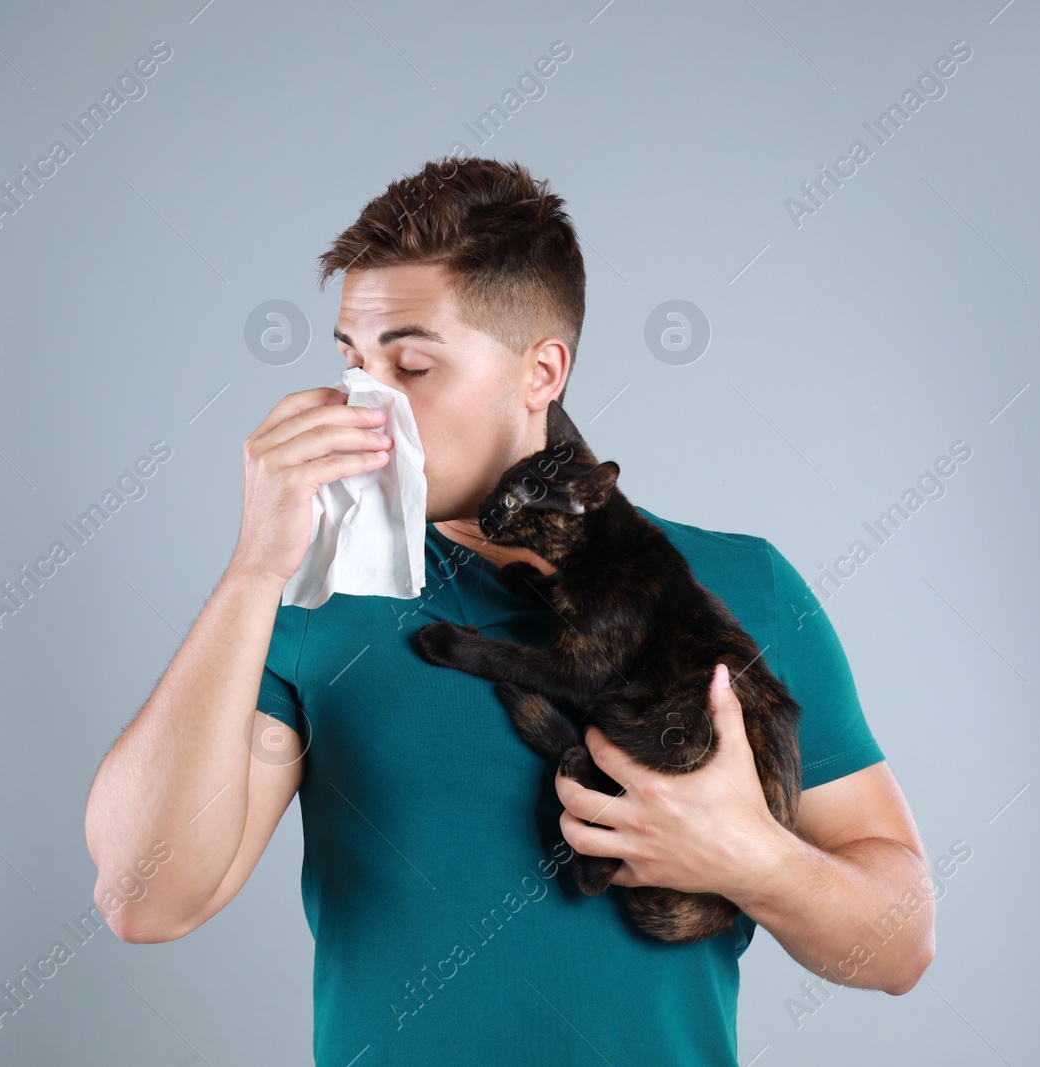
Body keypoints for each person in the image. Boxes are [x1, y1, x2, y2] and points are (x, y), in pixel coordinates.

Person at [84, 157, 935, 1064]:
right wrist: (256, 566)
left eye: (411, 365)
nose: (367, 405)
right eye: (351, 361)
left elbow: (900, 946)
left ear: (541, 371)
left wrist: (750, 856)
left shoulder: (740, 585)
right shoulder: (309, 600)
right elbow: (144, 897)